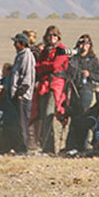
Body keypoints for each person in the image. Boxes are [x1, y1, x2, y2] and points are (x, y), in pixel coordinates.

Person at [34, 25, 70, 154]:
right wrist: (45, 66)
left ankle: (51, 148)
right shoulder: (45, 51)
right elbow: (37, 67)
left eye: (54, 35)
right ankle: (46, 146)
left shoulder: (62, 50)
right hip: (45, 84)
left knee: (50, 114)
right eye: (50, 35)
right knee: (44, 115)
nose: (52, 37)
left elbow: (55, 66)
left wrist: (44, 66)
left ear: (58, 37)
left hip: (56, 86)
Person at [65, 34, 99, 151]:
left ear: (90, 45)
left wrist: (89, 74)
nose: (84, 45)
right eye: (81, 42)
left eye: (86, 43)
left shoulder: (93, 59)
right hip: (74, 89)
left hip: (86, 90)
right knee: (73, 117)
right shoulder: (74, 58)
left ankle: (83, 145)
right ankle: (70, 145)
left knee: (83, 117)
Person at [9, 33, 36, 153]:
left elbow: (27, 76)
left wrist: (20, 92)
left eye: (17, 42)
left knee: (22, 123)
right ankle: (19, 146)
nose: (14, 44)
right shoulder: (20, 56)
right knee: (18, 122)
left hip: (23, 96)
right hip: (18, 94)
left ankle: (24, 148)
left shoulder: (27, 56)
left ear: (23, 44)